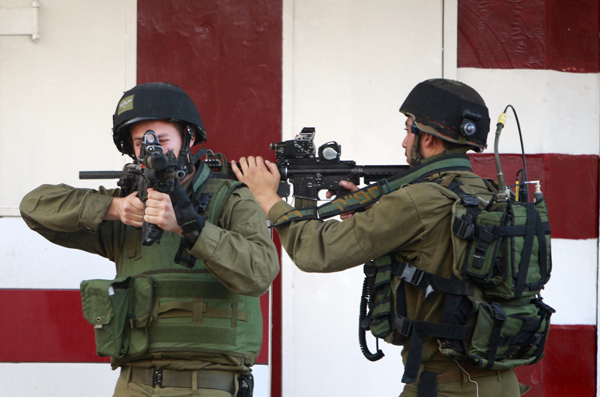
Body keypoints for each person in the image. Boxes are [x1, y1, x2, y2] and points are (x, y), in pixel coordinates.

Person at [232, 79, 529, 396]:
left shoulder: (414, 201)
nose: (404, 142)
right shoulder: (489, 194)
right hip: (501, 382)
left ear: (427, 139)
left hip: (446, 387)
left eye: (408, 130)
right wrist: (377, 215)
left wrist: (268, 199)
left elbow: (315, 252)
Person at [20, 82, 279, 397]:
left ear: (190, 138)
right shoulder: (129, 207)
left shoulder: (231, 200)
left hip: (207, 385)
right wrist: (113, 208)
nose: (152, 149)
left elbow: (261, 273)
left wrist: (189, 226)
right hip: (134, 384)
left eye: (163, 139)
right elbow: (34, 207)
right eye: (141, 142)